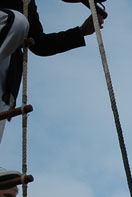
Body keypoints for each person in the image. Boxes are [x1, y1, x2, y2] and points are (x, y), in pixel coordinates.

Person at [0, 0, 105, 142]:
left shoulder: (28, 4)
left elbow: (41, 44)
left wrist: (81, 31)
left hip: (5, 80)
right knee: (17, 22)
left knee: (19, 23)